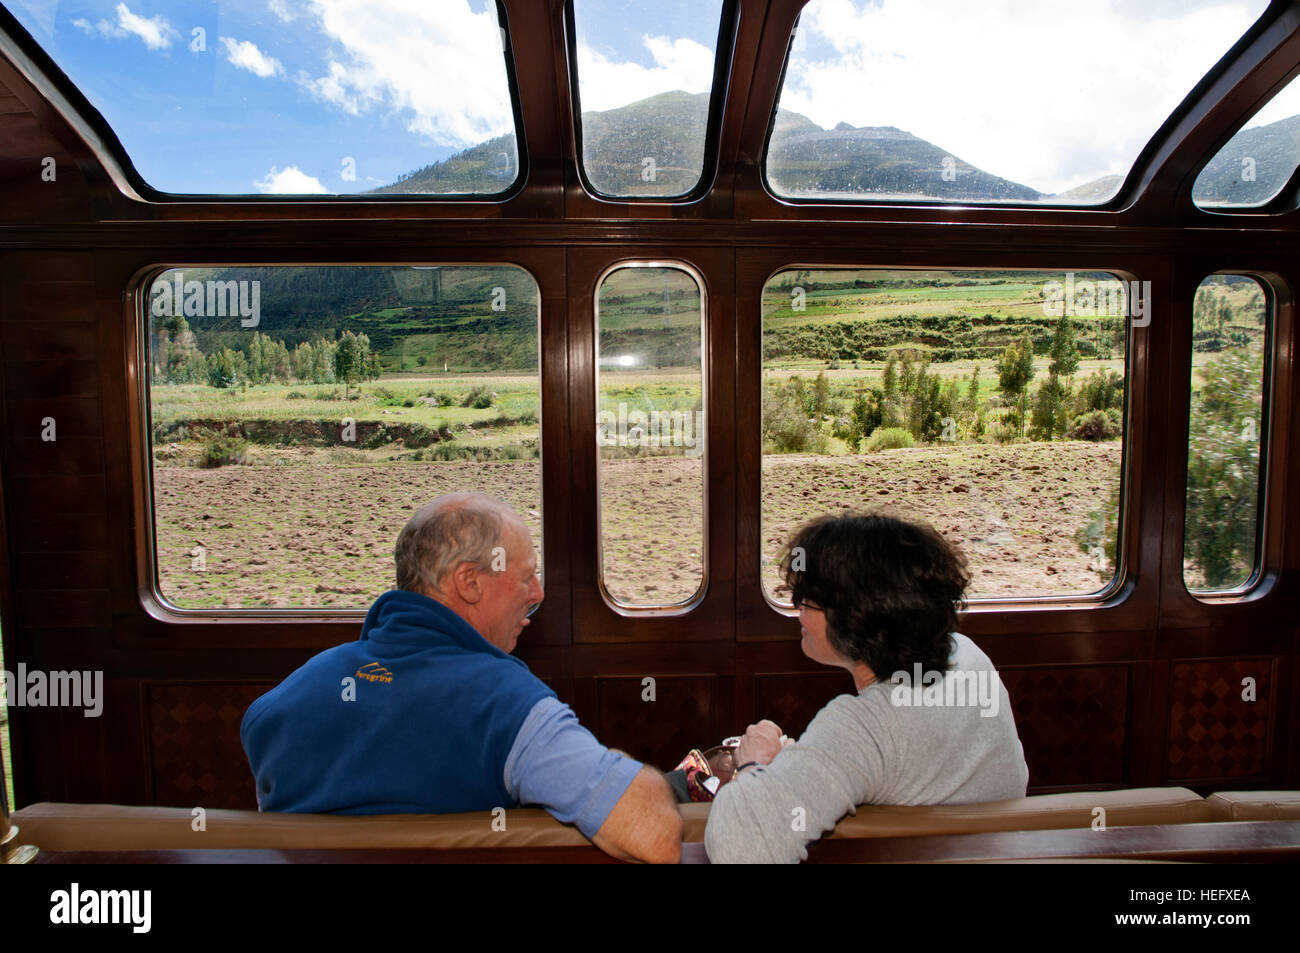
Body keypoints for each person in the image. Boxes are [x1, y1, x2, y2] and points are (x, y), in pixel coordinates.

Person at [241, 492, 681, 864]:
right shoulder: (505, 705)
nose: (538, 594)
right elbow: (654, 834)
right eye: (526, 576)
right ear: (470, 582)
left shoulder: (277, 708)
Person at [705, 511, 1029, 863]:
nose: (797, 609)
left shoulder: (865, 725)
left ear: (855, 618)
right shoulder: (967, 656)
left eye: (806, 598)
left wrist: (755, 765)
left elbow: (739, 844)